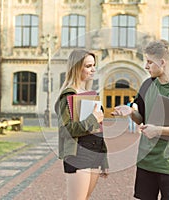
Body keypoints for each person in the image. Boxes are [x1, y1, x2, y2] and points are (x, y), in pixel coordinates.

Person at [111, 40, 169, 200]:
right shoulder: (146, 86)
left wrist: (158, 130)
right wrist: (130, 112)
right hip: (146, 161)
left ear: (162, 62)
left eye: (149, 62)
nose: (146, 66)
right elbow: (141, 119)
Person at [54, 49, 108, 200]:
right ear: (77, 68)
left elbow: (98, 131)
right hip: (78, 155)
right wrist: (92, 118)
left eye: (93, 65)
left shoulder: (89, 93)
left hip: (94, 153)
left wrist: (104, 158)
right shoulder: (68, 95)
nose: (93, 69)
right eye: (88, 66)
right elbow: (65, 130)